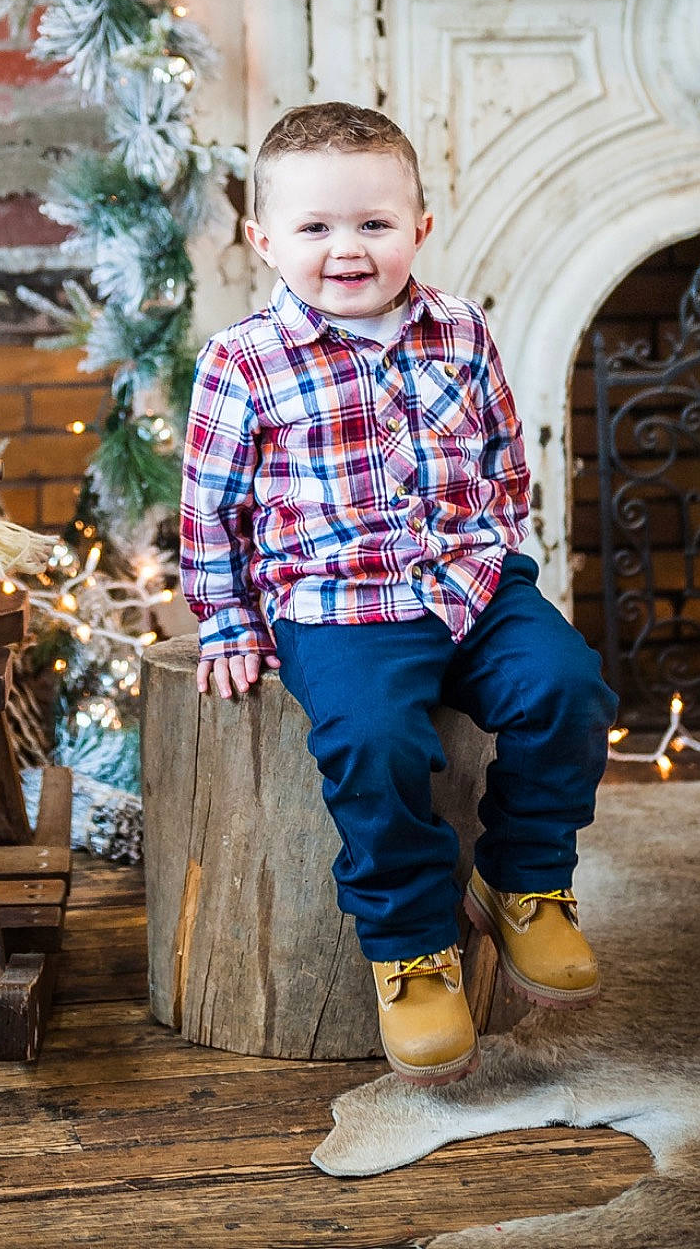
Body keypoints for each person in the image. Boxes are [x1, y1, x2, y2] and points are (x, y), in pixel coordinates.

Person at [178, 101, 620, 1086]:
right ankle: (414, 945)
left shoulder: (459, 330)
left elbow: (504, 453)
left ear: (418, 226)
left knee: (569, 686)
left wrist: (502, 551)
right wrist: (225, 616)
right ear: (263, 240)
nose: (347, 248)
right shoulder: (242, 360)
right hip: (337, 601)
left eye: (374, 223)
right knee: (376, 742)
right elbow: (213, 504)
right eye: (315, 226)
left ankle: (526, 877)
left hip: (468, 579)